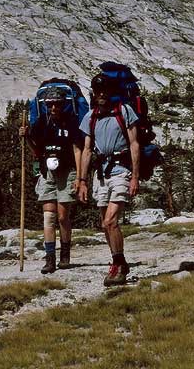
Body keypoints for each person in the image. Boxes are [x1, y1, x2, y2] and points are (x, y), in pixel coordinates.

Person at [79, 73, 140, 286]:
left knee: (110, 221)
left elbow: (134, 144)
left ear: (111, 92)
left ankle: (119, 264)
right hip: (101, 174)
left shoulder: (124, 111)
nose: (101, 94)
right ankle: (118, 261)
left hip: (121, 170)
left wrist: (135, 176)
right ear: (94, 93)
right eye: (98, 91)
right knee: (105, 224)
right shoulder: (90, 117)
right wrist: (82, 181)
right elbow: (87, 150)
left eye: (105, 90)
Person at [20, 82, 86, 274]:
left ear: (63, 103)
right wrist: (26, 138)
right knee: (49, 217)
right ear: (46, 105)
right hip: (46, 171)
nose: (54, 107)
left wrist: (79, 177)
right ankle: (50, 260)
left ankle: (65, 254)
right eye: (50, 104)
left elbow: (77, 149)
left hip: (67, 172)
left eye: (57, 104)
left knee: (63, 216)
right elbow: (37, 151)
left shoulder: (71, 122)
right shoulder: (41, 123)